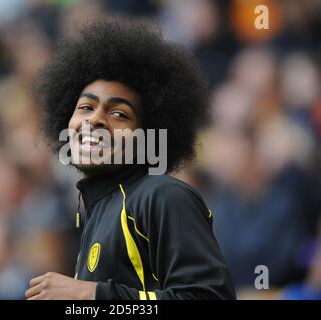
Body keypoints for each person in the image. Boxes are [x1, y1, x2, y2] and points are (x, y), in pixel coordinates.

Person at [25, 20, 236, 300]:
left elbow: (210, 298)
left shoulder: (164, 195)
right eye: (86, 107)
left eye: (119, 114)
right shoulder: (96, 211)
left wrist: (93, 295)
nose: (95, 119)